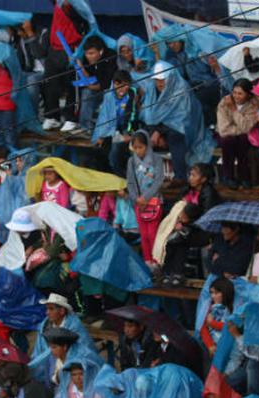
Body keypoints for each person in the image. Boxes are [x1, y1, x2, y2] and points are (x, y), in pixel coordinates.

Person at [41, 0, 87, 131]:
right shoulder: (58, 3)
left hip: (71, 48)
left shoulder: (77, 6)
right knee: (50, 83)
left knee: (72, 85)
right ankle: (52, 117)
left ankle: (71, 119)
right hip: (55, 48)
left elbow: (80, 17)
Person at [124, 131, 164, 262]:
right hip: (139, 203)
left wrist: (145, 197)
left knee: (153, 234)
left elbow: (158, 181)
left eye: (140, 147)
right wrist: (137, 198)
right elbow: (130, 182)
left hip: (154, 201)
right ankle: (147, 261)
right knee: (144, 235)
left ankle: (156, 261)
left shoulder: (157, 159)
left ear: (147, 146)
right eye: (135, 148)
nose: (138, 151)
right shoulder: (131, 161)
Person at [216, 79, 259, 189]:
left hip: (245, 137)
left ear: (248, 95)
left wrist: (234, 110)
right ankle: (228, 177)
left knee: (242, 140)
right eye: (234, 92)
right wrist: (240, 127)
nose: (236, 96)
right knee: (227, 140)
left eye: (240, 93)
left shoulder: (254, 104)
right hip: (228, 136)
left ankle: (244, 177)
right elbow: (223, 129)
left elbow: (246, 127)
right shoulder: (224, 102)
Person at [74, 36, 116, 135]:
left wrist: (89, 86)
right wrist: (81, 68)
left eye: (92, 53)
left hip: (111, 91)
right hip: (97, 89)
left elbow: (105, 85)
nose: (88, 56)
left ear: (100, 51)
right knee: (87, 92)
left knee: (95, 92)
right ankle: (85, 128)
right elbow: (89, 79)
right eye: (87, 53)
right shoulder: (86, 58)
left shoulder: (111, 57)